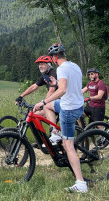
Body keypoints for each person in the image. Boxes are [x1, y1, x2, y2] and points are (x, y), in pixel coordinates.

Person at [34, 43, 87, 193]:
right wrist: (55, 83)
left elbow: (62, 90)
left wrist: (43, 101)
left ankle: (81, 183)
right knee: (49, 106)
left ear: (55, 56)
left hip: (69, 109)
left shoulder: (61, 68)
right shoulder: (75, 66)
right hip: (76, 105)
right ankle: (55, 132)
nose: (52, 60)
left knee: (68, 146)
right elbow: (70, 85)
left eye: (51, 57)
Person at [16, 55, 58, 139]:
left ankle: (54, 133)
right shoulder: (45, 75)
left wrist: (43, 103)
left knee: (38, 113)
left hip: (59, 102)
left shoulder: (53, 74)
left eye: (42, 64)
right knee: (34, 116)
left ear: (48, 65)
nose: (40, 66)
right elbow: (34, 86)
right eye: (39, 64)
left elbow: (51, 91)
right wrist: (21, 96)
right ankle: (43, 139)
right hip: (52, 102)